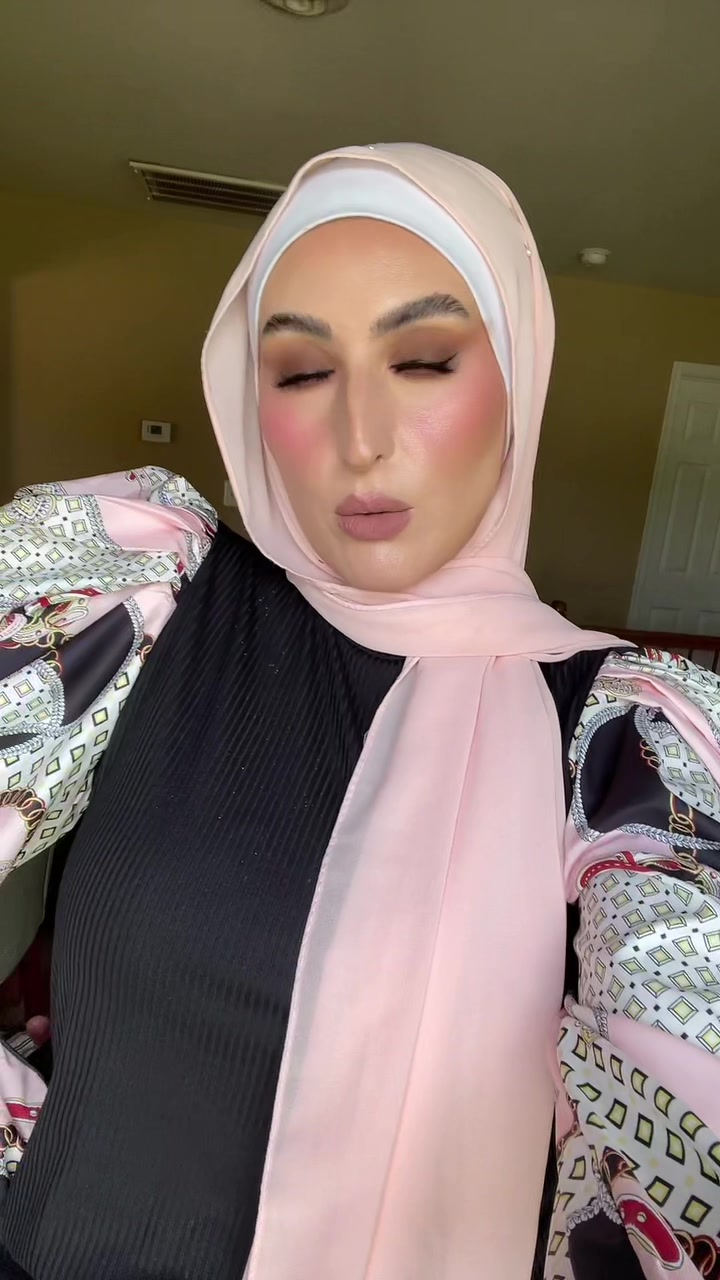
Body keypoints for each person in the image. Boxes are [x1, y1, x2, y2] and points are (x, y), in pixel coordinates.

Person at [0, 143, 718, 1280]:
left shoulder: (633, 743)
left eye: (424, 360)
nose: (361, 437)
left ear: (519, 380)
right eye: (299, 372)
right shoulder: (146, 590)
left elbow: (683, 1118)